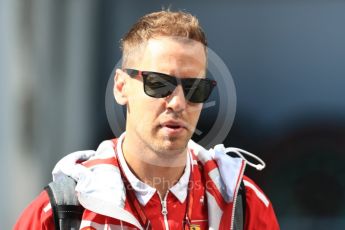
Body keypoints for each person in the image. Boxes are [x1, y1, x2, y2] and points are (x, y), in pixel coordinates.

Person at [15, 10, 279, 229]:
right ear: (120, 87)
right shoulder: (62, 211)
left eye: (194, 88)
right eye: (158, 83)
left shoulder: (241, 203)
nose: (177, 103)